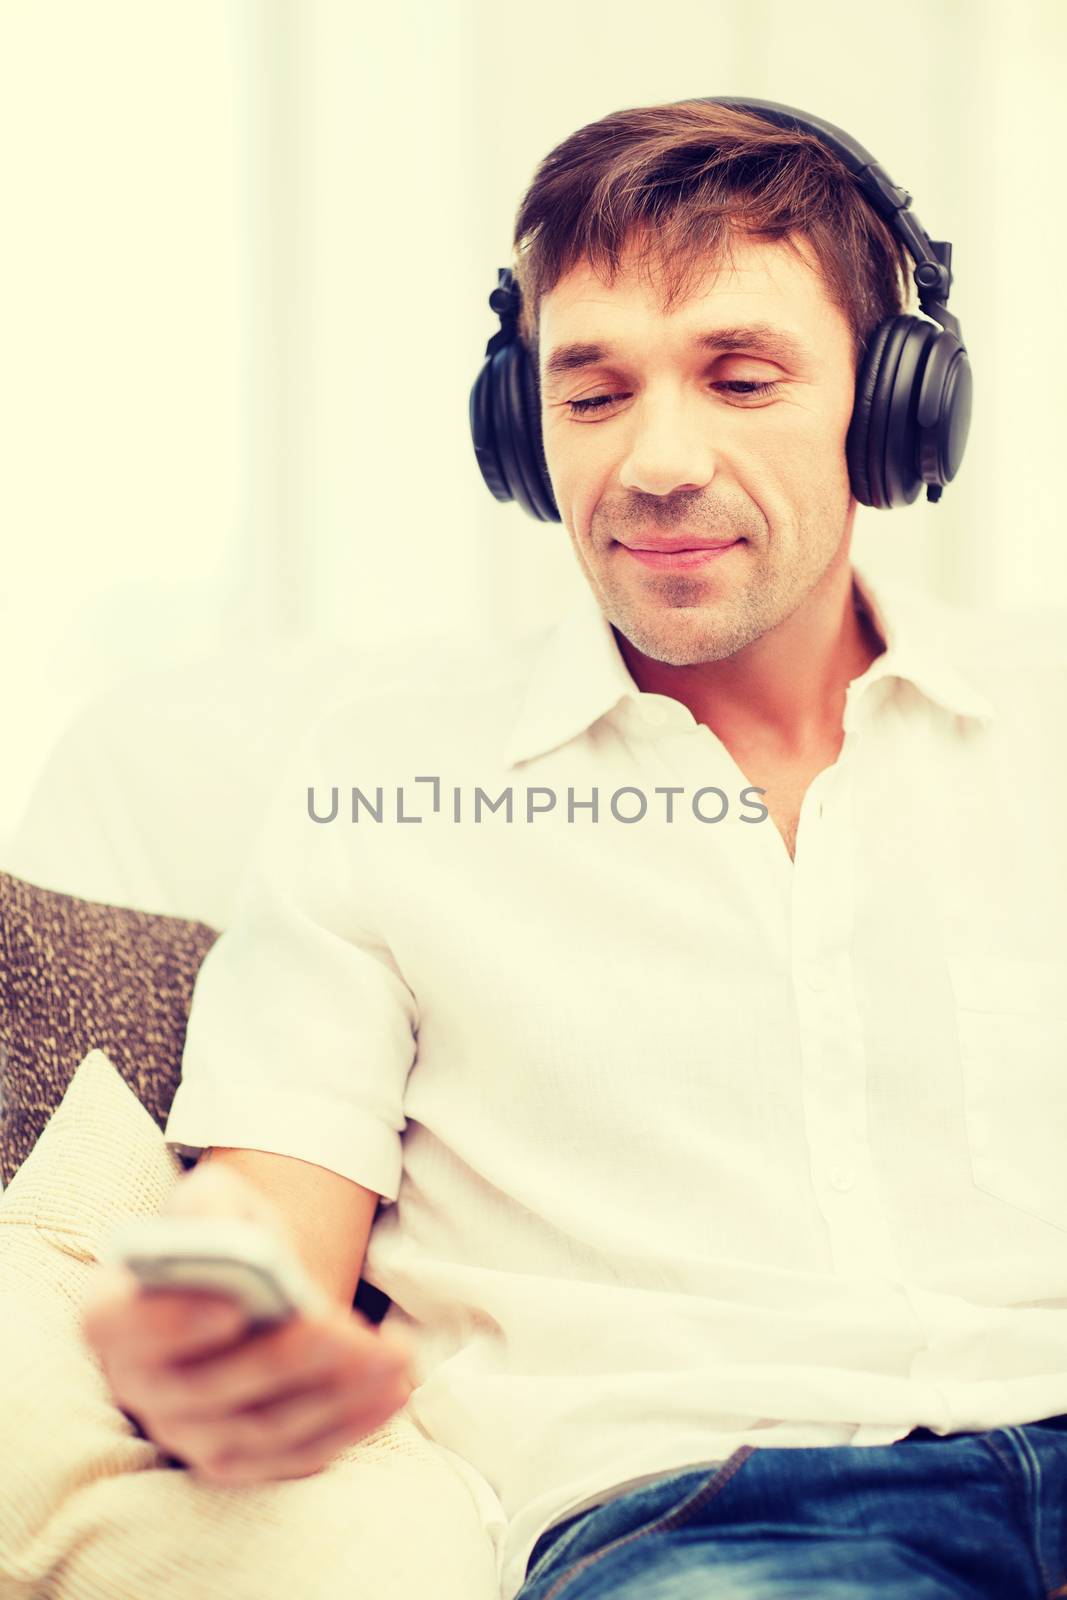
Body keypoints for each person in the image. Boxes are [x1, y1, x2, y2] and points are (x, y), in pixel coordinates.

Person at [82, 97, 1067, 1600]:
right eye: (593, 395)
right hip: (726, 1521)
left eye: (741, 378)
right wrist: (209, 1313)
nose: (658, 463)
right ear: (520, 431)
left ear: (894, 404)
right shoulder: (387, 771)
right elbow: (269, 1200)